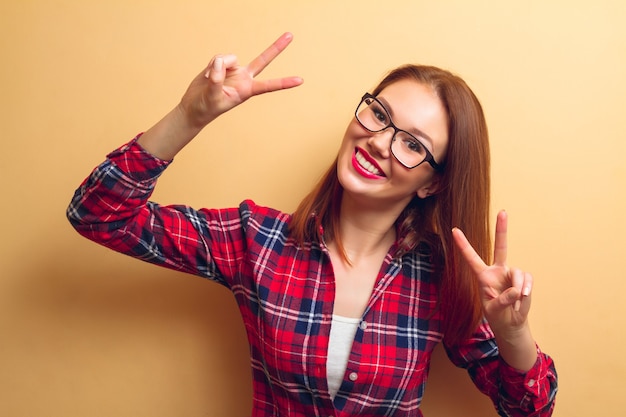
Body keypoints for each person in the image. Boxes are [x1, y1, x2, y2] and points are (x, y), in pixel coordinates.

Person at [67, 32, 557, 416]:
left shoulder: (442, 279)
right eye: (379, 115)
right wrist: (189, 116)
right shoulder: (256, 239)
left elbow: (528, 408)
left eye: (413, 144)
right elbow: (98, 214)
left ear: (432, 183)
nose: (380, 142)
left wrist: (514, 336)